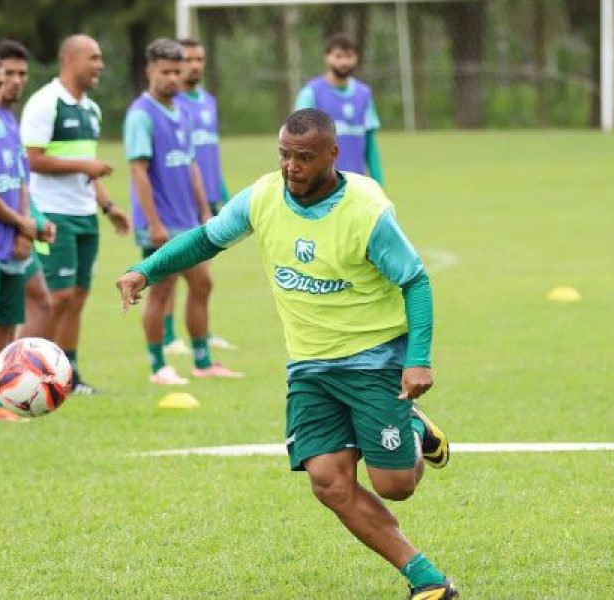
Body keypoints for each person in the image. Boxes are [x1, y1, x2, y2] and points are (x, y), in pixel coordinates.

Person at [116, 109, 458, 599]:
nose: (292, 167)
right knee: (328, 482)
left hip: (374, 358)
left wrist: (418, 358)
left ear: (332, 155)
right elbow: (207, 238)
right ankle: (427, 580)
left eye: (304, 157)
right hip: (309, 366)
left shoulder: (366, 209)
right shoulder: (264, 196)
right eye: (285, 155)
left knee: (396, 483)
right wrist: (144, 271)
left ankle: (413, 426)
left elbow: (415, 280)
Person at [123, 38, 240, 384]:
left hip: (189, 221)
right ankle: (159, 366)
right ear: (150, 71)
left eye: (178, 70)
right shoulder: (141, 115)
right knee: (161, 290)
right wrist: (154, 223)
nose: (174, 77)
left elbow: (191, 166)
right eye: (166, 71)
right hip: (160, 224)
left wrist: (205, 211)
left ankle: (202, 361)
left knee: (202, 284)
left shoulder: (183, 112)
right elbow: (138, 171)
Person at [20, 34, 130, 394]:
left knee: (78, 296)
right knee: (56, 297)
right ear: (70, 60)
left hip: (85, 215)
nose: (100, 65)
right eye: (93, 58)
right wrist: (85, 164)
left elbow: (89, 171)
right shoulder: (45, 103)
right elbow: (32, 160)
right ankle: (29, 373)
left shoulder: (91, 110)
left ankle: (69, 373)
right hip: (53, 215)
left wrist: (108, 207)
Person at [159, 36, 236, 356]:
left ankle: (202, 331)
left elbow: (209, 153)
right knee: (173, 272)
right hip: (180, 198)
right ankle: (167, 336)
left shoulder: (208, 101)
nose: (194, 66)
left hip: (209, 196)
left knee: (202, 274)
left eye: (199, 59)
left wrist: (224, 194)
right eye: (188, 59)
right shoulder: (173, 104)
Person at [0, 53, 38, 424]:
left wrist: (24, 227)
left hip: (12, 242)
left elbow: (19, 179)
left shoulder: (9, 122)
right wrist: (19, 220)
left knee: (6, 323)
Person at [0, 40, 56, 340]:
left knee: (41, 302)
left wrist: (36, 222)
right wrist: (24, 225)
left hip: (15, 231)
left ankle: (16, 377)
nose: (15, 82)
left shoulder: (8, 120)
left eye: (22, 74)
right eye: (9, 74)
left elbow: (18, 180)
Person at [294, 33, 384, 185]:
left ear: (356, 58)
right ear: (327, 57)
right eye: (338, 56)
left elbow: (370, 143)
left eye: (349, 56)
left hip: (356, 184)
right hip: (319, 185)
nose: (344, 62)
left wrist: (378, 183)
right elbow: (298, 142)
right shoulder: (310, 93)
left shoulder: (364, 94)